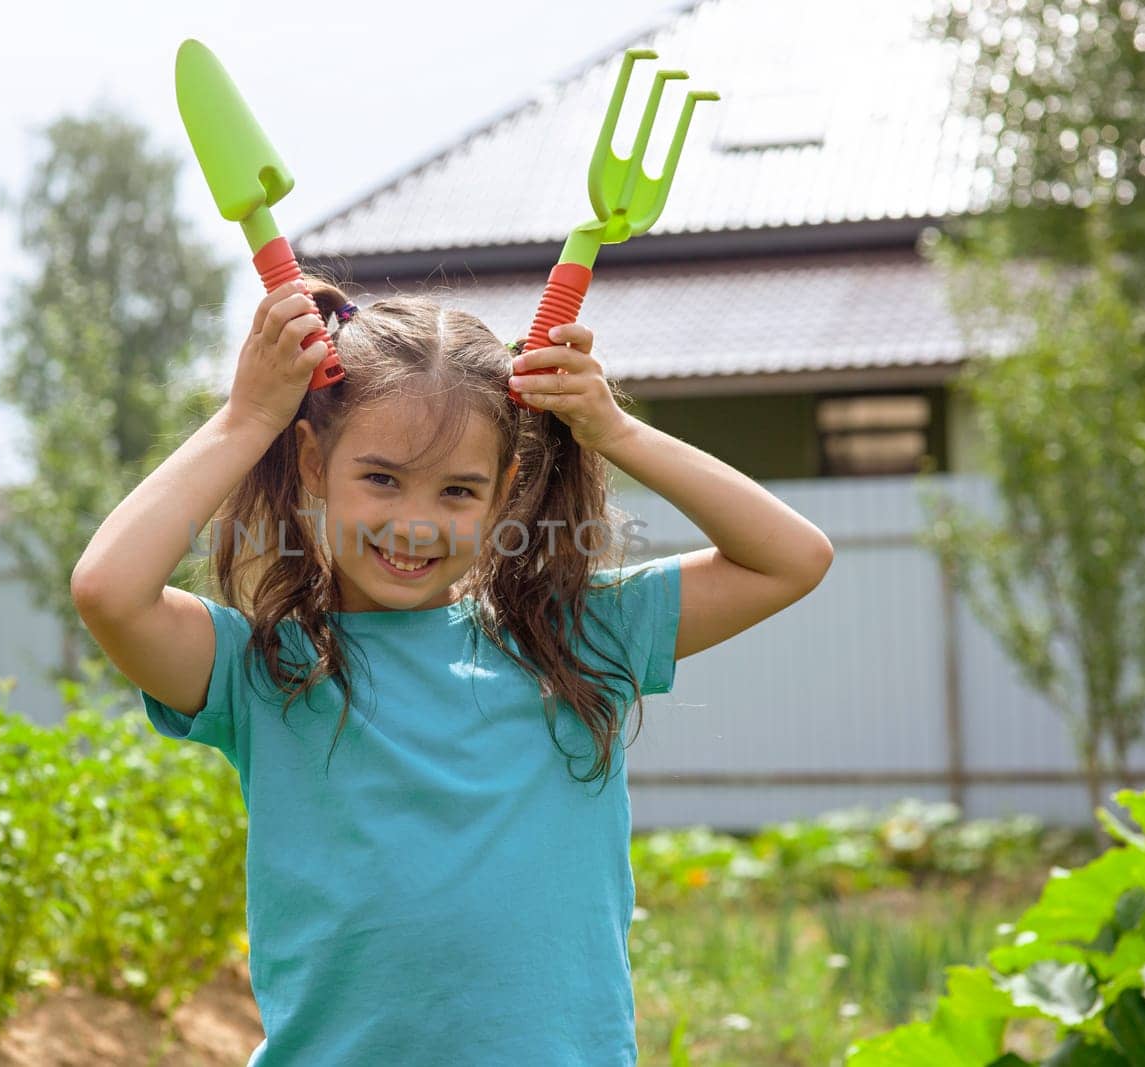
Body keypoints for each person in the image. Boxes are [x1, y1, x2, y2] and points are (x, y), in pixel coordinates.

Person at [70, 274, 834, 1066]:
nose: (416, 522)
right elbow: (107, 590)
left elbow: (792, 558)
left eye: (458, 490)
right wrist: (248, 419)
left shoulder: (573, 640)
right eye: (381, 478)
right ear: (309, 463)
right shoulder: (266, 667)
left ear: (505, 492)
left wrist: (615, 432)